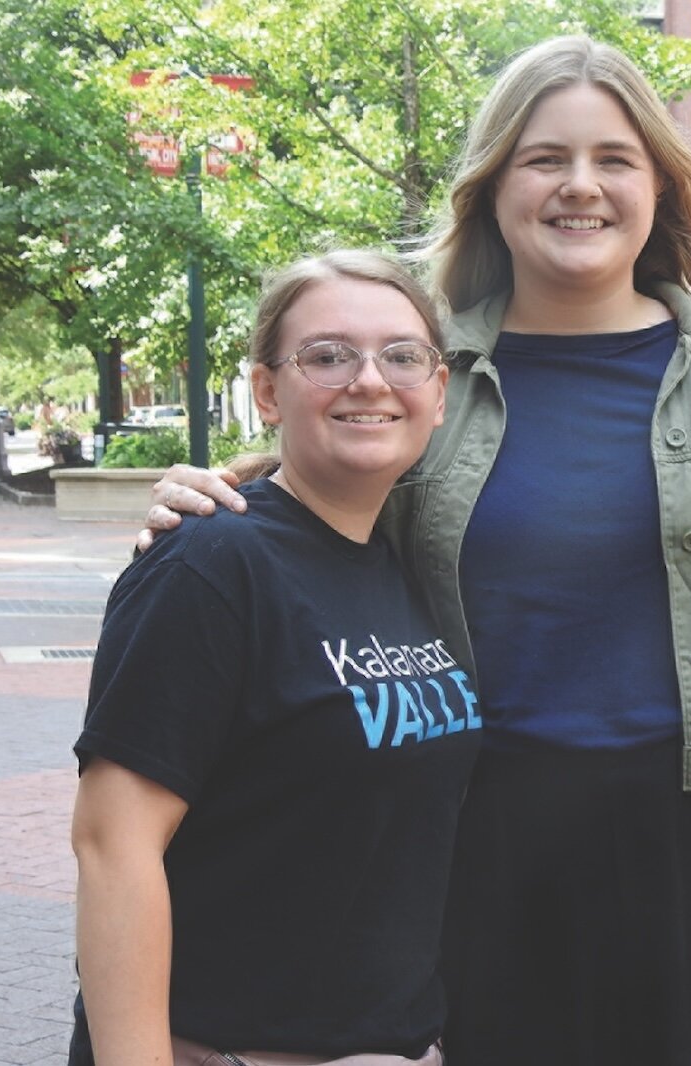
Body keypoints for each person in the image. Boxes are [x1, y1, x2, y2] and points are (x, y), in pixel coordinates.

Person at [141, 36, 691, 1066]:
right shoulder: (423, 377)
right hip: (478, 860)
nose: (579, 186)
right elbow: (315, 499)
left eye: (614, 158)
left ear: (659, 187)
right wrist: (207, 494)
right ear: (495, 186)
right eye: (544, 158)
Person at [69, 250, 475, 1066]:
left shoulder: (409, 563)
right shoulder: (210, 564)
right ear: (267, 391)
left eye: (402, 355)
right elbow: (115, 846)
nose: (369, 379)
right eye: (327, 355)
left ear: (438, 393)